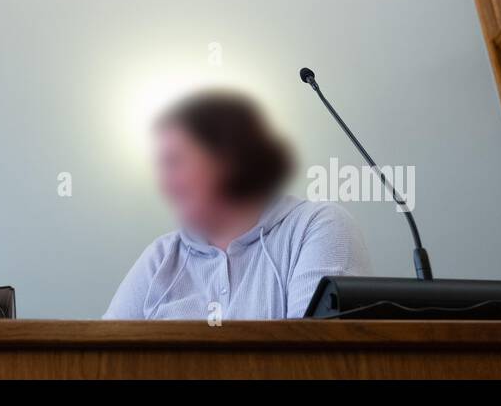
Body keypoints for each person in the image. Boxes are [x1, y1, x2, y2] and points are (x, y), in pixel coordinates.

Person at [104, 89, 371, 319]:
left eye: (175, 162)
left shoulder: (317, 226)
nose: (166, 184)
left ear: (228, 159)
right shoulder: (161, 257)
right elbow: (103, 359)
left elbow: (312, 361)